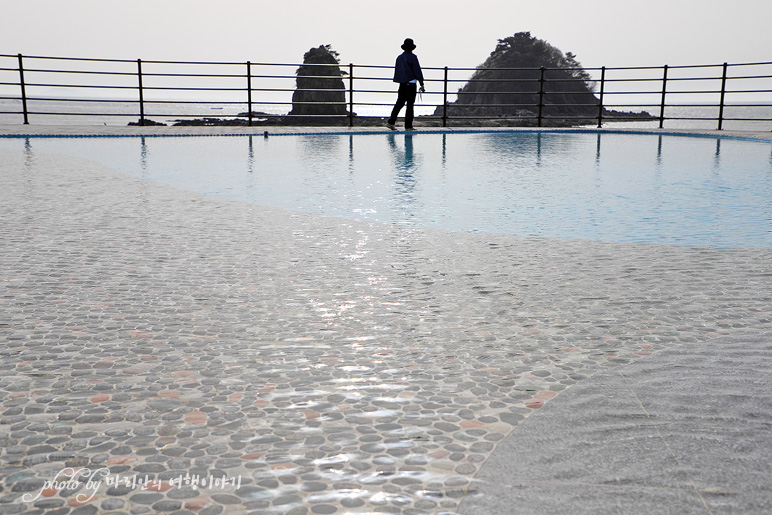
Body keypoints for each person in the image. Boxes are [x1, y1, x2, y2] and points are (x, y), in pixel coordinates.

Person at [386, 38, 425, 131]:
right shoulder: (413, 57)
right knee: (410, 105)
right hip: (411, 84)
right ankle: (408, 126)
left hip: (402, 84)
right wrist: (421, 83)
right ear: (412, 48)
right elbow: (417, 71)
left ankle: (391, 122)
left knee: (399, 103)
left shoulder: (399, 58)